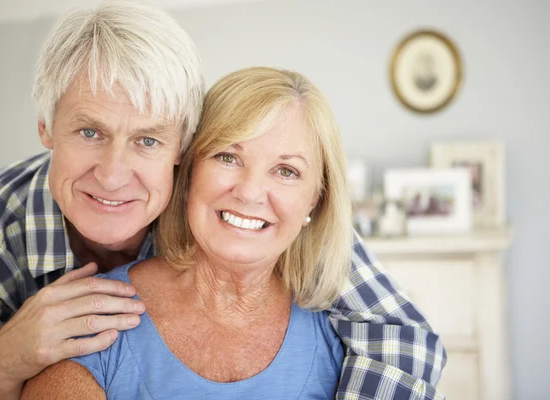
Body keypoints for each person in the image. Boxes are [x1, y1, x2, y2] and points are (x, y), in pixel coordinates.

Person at [0, 2, 446, 400]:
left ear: (182, 149)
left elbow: (402, 339)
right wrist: (2, 369)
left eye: (148, 140)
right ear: (44, 126)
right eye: (89, 130)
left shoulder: (234, 206)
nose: (115, 174)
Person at [22, 66, 353, 399]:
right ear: (189, 168)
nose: (250, 192)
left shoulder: (346, 335)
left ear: (314, 199)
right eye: (228, 156)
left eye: (286, 171)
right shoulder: (93, 321)